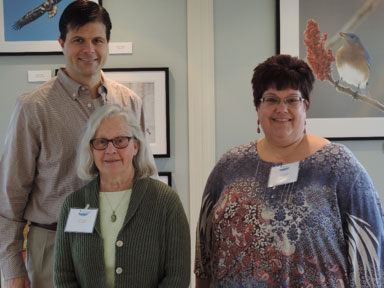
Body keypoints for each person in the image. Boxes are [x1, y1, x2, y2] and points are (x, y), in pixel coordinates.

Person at [0, 1, 156, 287]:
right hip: (53, 244)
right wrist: (12, 268)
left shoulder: (129, 102)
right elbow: (10, 195)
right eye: (78, 40)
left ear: (108, 43)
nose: (89, 50)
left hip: (121, 244)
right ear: (61, 42)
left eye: (97, 40)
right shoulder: (32, 108)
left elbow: (146, 177)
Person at [194, 54, 384, 287]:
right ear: (258, 107)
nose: (281, 109)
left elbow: (371, 258)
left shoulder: (339, 166)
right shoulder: (230, 166)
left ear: (305, 106)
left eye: (292, 100)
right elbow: (204, 251)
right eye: (271, 99)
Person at [54, 104, 190, 287]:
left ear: (135, 146)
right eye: (101, 142)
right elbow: (63, 276)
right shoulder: (74, 204)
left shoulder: (165, 201)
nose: (111, 150)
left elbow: (177, 276)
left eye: (120, 141)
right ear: (91, 150)